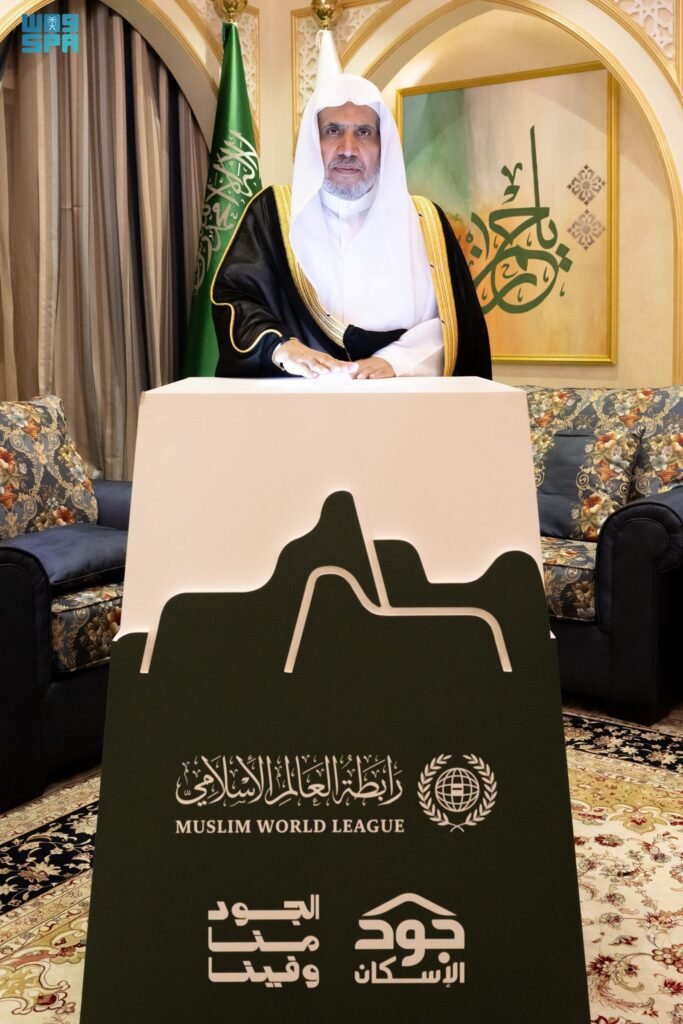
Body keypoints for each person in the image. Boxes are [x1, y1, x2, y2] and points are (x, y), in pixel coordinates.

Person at [211, 73, 491, 380]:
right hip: (298, 399)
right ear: (313, 141)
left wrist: (397, 360)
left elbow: (457, 324)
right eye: (333, 131)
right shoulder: (273, 213)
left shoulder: (427, 222)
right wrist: (281, 347)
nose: (348, 149)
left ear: (383, 144)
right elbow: (234, 298)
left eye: (364, 132)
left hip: (403, 398)